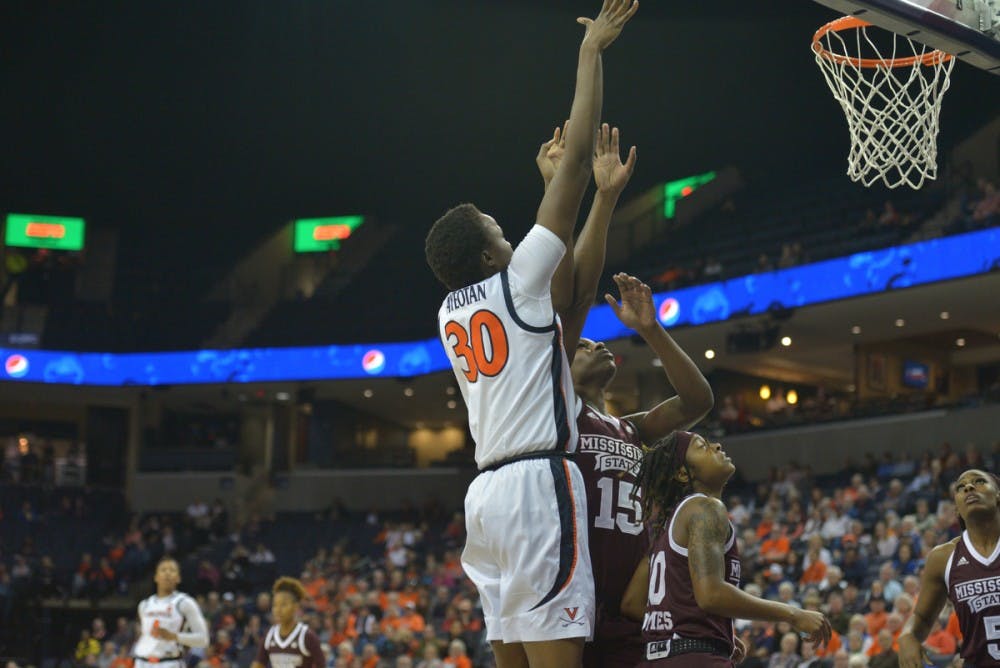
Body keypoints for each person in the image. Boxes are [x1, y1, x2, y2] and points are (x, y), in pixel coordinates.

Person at [424, 1, 638, 666]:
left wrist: (584, 202)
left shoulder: (452, 312)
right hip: (536, 488)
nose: (512, 235)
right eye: (500, 230)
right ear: (492, 255)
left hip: (485, 498)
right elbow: (575, 162)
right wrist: (591, 52)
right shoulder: (517, 287)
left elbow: (568, 297)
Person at [620, 432, 832, 666]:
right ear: (683, 473)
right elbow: (711, 594)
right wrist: (793, 614)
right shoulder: (705, 508)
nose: (717, 446)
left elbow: (632, 603)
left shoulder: (664, 528)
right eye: (702, 447)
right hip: (695, 658)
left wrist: (715, 630)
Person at [899, 469, 1000, 667]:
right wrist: (908, 636)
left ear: (998, 496)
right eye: (961, 487)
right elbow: (921, 618)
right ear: (957, 509)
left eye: (979, 481)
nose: (969, 487)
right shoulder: (942, 557)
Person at [132, 556, 209, 667]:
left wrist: (174, 636)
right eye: (163, 570)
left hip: (169, 662)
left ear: (178, 578)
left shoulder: (185, 603)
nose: (167, 573)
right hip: (141, 662)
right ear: (156, 577)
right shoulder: (144, 605)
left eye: (172, 570)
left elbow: (203, 639)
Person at [251, 576, 324, 668]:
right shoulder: (269, 635)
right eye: (275, 605)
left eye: (283, 605)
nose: (278, 610)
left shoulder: (308, 636)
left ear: (296, 606)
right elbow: (258, 664)